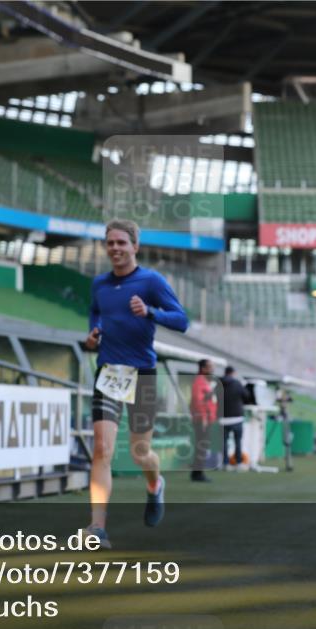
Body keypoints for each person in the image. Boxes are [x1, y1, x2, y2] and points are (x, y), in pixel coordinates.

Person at [83, 220, 189, 548]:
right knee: (102, 449)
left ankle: (155, 485)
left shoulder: (151, 281)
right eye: (110, 243)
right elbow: (95, 313)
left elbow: (182, 320)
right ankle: (97, 528)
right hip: (109, 372)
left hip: (142, 374)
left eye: (121, 243)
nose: (115, 248)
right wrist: (93, 334)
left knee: (140, 452)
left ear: (135, 246)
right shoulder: (99, 284)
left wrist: (150, 312)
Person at [189, 359, 217, 483]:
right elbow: (197, 400)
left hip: (205, 419)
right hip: (202, 420)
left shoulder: (204, 381)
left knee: (202, 446)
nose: (213, 369)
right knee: (201, 446)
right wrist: (203, 417)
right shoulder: (200, 381)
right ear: (203, 368)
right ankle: (197, 474)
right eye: (210, 367)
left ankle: (197, 472)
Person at [220, 366, 253, 469]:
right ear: (233, 373)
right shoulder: (237, 383)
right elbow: (246, 396)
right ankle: (239, 463)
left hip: (222, 418)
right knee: (237, 441)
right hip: (237, 418)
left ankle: (225, 463)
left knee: (224, 442)